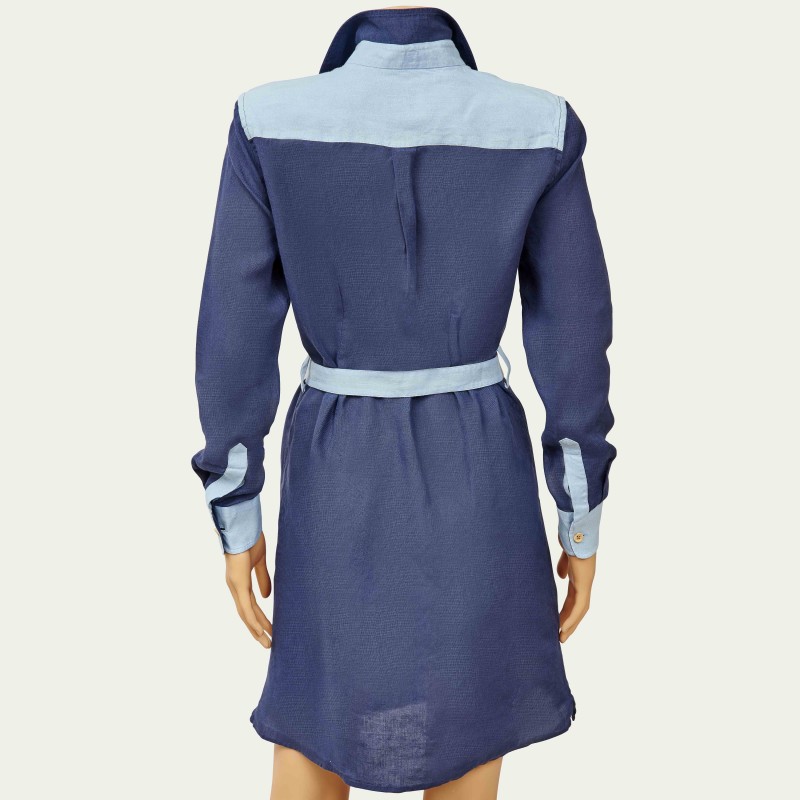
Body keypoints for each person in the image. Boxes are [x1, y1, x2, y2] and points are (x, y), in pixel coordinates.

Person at [191, 6, 615, 798]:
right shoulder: (538, 124)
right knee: (471, 724)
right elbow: (575, 337)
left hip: (335, 469)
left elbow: (231, 339)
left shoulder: (267, 120)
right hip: (478, 468)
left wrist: (235, 514)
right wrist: (580, 518)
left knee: (314, 721)